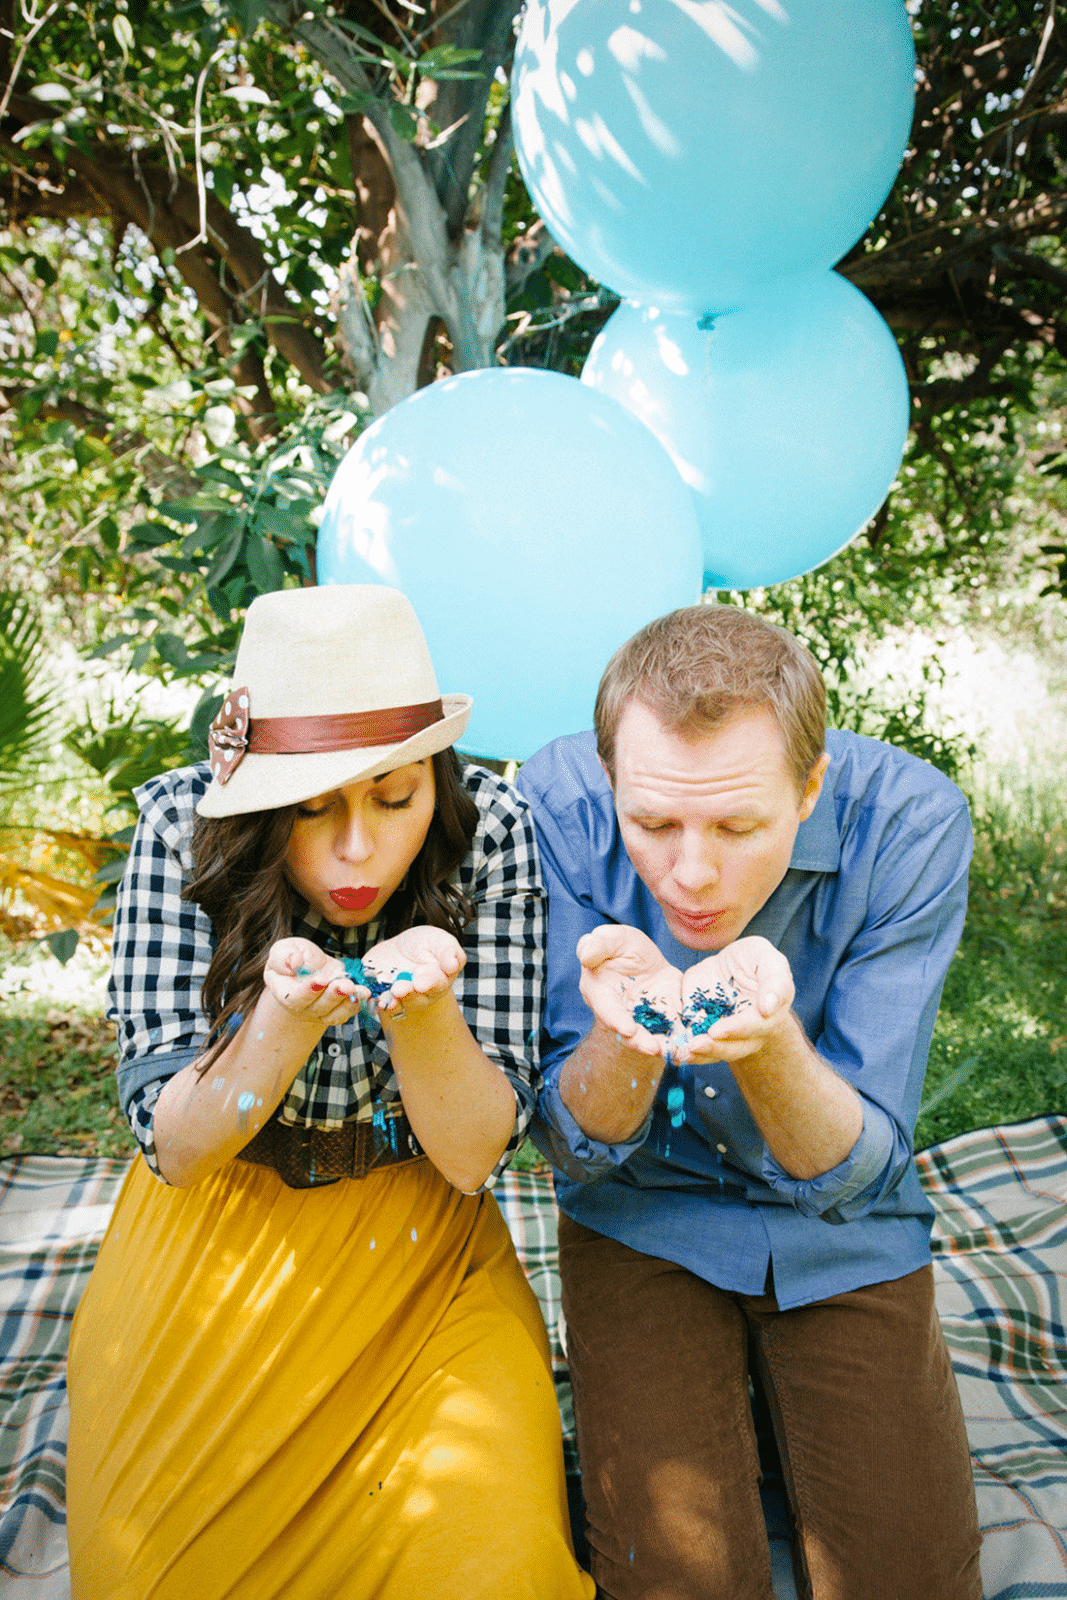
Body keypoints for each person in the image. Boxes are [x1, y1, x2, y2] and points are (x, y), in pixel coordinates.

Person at [66, 585, 595, 1600]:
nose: (356, 850)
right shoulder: (182, 823)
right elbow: (176, 1146)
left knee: (502, 1572)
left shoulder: (489, 827)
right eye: (312, 809)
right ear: (261, 803)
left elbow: (471, 1154)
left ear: (432, 782)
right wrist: (280, 1020)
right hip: (215, 1238)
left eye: (394, 799)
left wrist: (422, 1008)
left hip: (421, 1251)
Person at [515, 604, 983, 1600]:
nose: (690, 872)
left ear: (808, 788)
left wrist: (768, 1043)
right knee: (674, 1579)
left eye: (735, 825)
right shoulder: (553, 802)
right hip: (643, 1208)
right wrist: (623, 1032)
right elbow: (568, 1141)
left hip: (840, 1224)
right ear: (608, 783)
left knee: (909, 1577)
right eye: (651, 824)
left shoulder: (909, 824)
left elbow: (858, 1165)